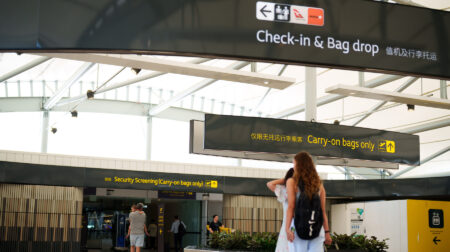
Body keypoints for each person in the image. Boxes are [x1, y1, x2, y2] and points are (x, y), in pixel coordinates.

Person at [285, 152, 332, 251]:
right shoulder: (319, 184)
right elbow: (322, 211)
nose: (293, 167)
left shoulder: (292, 182)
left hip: (297, 227)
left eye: (294, 164)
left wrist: (287, 229)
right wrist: (327, 232)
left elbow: (291, 207)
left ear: (298, 166)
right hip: (317, 228)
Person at [266, 168, 294, 252]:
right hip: (288, 223)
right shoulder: (284, 189)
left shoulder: (302, 190)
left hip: (299, 222)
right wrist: (285, 180)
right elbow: (269, 184)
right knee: (286, 245)